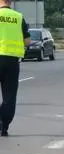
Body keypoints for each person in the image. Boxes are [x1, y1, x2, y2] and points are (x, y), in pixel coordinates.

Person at [0, 0, 30, 136]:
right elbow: (27, 41)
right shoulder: (19, 17)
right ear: (10, 2)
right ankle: (4, 125)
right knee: (9, 96)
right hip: (12, 61)